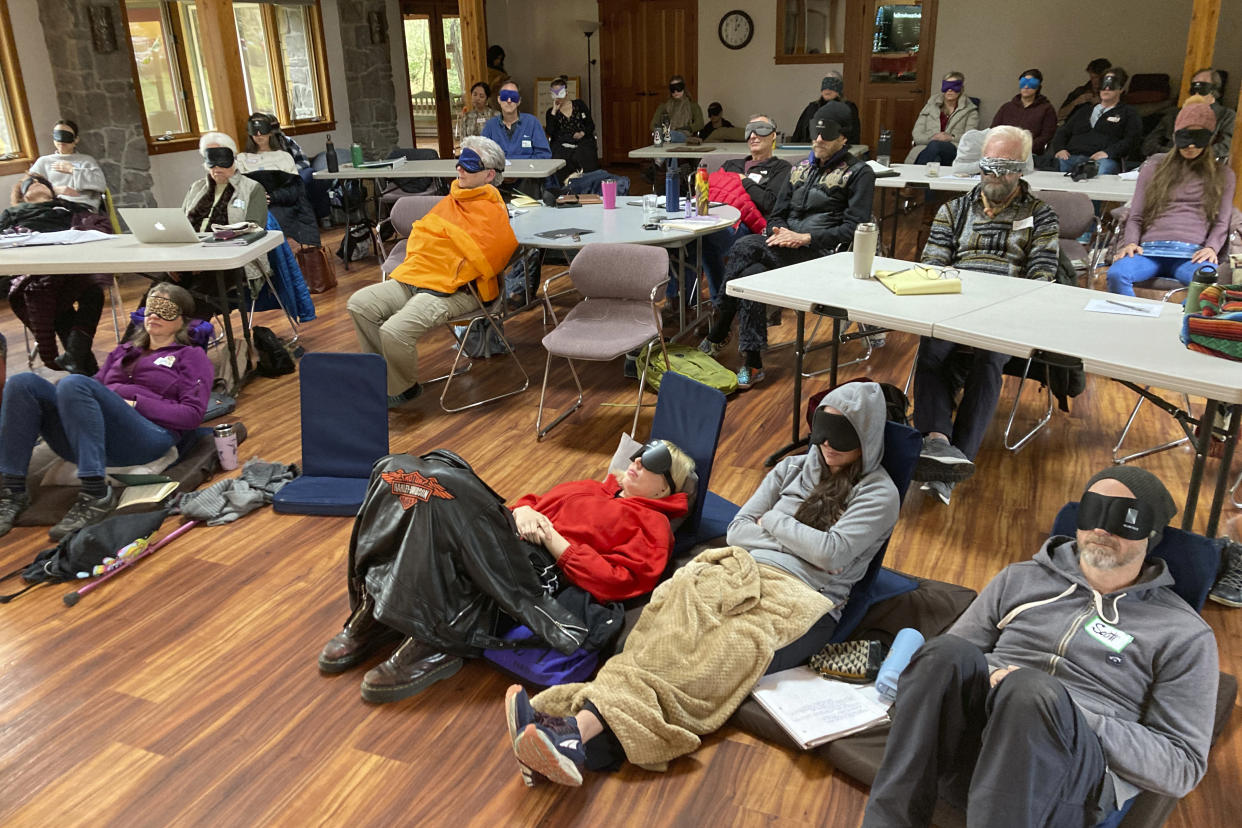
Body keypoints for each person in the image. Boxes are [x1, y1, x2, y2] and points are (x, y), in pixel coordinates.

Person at [500, 382, 901, 787]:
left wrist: (776, 523)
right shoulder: (791, 468)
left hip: (801, 597)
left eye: (843, 438)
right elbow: (739, 531)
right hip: (737, 565)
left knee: (717, 654)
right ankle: (575, 742)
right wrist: (802, 543)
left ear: (865, 438)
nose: (828, 446)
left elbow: (831, 554)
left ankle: (572, 728)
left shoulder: (879, 494)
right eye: (822, 433)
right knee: (662, 632)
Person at [861, 466, 1218, 828]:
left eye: (1124, 518)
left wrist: (1069, 712)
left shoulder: (1184, 635)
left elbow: (1181, 766)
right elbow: (957, 655)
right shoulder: (1019, 579)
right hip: (972, 746)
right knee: (942, 654)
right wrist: (998, 677)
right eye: (1095, 511)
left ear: (1151, 533)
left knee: (1030, 692)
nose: (1101, 529)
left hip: (1067, 783)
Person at [317, 438, 695, 704]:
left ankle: (435, 641)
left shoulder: (653, 526)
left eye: (654, 464)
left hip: (536, 567)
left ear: (666, 489)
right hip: (509, 533)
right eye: (641, 453)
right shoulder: (592, 488)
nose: (638, 462)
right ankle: (378, 603)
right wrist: (526, 510)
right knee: (398, 470)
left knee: (441, 493)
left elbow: (617, 581)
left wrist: (553, 539)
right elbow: (530, 501)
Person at [910, 126, 1059, 505]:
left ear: (1022, 168)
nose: (993, 176)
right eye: (987, 166)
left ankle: (955, 460)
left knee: (989, 359)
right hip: (954, 303)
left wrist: (1004, 303)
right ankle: (937, 441)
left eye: (1004, 167)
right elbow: (932, 265)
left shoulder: (1041, 216)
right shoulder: (954, 209)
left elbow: (1042, 274)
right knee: (929, 353)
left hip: (1006, 311)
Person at [0, 283, 212, 540]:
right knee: (22, 383)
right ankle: (12, 490)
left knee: (74, 382)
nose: (154, 315)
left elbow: (191, 416)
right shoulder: (123, 352)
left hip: (148, 437)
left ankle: (95, 492)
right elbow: (90, 392)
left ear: (183, 321)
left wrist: (133, 403)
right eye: (151, 308)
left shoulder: (190, 357)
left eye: (165, 310)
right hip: (95, 435)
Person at [698, 110, 874, 389]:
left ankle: (720, 328)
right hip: (784, 247)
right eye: (815, 132)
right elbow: (776, 214)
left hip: (824, 255)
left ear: (843, 138)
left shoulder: (859, 173)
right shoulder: (800, 168)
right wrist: (777, 231)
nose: (818, 139)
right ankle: (753, 363)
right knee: (751, 273)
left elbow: (855, 228)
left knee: (744, 245)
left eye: (826, 134)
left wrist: (805, 237)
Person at [346, 136, 516, 408]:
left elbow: (492, 257)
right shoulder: (451, 200)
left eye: (470, 165)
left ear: (489, 174)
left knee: (394, 331)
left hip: (459, 290)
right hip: (419, 277)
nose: (460, 169)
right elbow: (422, 239)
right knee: (359, 304)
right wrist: (437, 259)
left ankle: (402, 388)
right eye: (459, 163)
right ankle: (387, 379)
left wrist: (447, 260)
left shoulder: (492, 210)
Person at [1106, 101, 1235, 297]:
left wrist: (1211, 248)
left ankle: (1182, 324)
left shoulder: (1223, 175)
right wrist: (1131, 242)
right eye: (1185, 136)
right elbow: (1136, 215)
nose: (1191, 145)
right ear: (1175, 136)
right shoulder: (1153, 168)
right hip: (1148, 251)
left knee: (1207, 282)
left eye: (1198, 137)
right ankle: (1131, 321)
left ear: (1209, 138)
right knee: (1117, 273)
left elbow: (1222, 221)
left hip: (1193, 255)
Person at [2, 173, 106, 376]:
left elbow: (96, 224)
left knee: (93, 291)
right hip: (36, 271)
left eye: (42, 182)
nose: (37, 183)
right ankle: (85, 368)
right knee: (57, 303)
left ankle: (81, 367)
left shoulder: (69, 208)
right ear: (22, 197)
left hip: (72, 267)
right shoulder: (12, 214)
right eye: (30, 184)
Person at [173, 132, 270, 319]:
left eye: (222, 160)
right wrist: (175, 259)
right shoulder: (196, 188)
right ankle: (135, 345)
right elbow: (179, 225)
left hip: (230, 262)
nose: (217, 167)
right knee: (157, 294)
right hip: (188, 258)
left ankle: (186, 344)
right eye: (211, 160)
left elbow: (253, 230)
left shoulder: (252, 189)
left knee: (198, 296)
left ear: (233, 159)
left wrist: (206, 260)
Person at [696, 115, 792, 304]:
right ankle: (680, 304)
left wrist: (744, 181)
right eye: (750, 131)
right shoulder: (731, 164)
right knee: (681, 243)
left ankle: (720, 303)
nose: (754, 135)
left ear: (773, 135)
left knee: (705, 239)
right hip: (713, 216)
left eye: (761, 129)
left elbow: (770, 202)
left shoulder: (780, 168)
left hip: (746, 226)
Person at [236, 112, 320, 247]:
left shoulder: (284, 158)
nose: (258, 134)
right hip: (252, 208)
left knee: (275, 220)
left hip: (283, 206)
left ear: (270, 132)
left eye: (262, 130)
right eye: (254, 130)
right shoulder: (241, 159)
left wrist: (272, 197)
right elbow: (238, 189)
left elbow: (296, 191)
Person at [1048, 67, 1140, 176]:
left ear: (1120, 89)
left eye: (1111, 85)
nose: (1106, 88)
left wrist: (1108, 153)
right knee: (1046, 167)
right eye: (1103, 84)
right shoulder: (1084, 110)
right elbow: (1063, 132)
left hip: (1102, 160)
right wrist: (1060, 149)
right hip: (1070, 157)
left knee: (1104, 169)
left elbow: (1132, 140)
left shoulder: (1128, 113)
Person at [1142, 68, 1235, 161]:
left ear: (1214, 89)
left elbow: (1226, 146)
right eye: (1194, 84)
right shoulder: (1174, 114)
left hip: (1203, 166)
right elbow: (1149, 144)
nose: (1197, 89)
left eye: (1203, 84)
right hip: (1167, 163)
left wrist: (1193, 154)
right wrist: (1173, 154)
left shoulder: (1226, 116)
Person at [482, 81, 552, 197]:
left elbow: (544, 155)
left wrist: (520, 171)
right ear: (499, 99)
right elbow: (483, 155)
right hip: (497, 183)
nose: (509, 100)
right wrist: (501, 174)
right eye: (505, 96)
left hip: (528, 182)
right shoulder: (490, 126)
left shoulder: (532, 122)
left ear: (519, 101)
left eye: (513, 97)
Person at [27, 119, 107, 212]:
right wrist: (55, 190)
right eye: (58, 135)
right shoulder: (43, 162)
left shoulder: (87, 161)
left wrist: (73, 170)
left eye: (66, 136)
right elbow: (27, 187)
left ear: (76, 139)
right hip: (50, 207)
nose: (61, 140)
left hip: (81, 208)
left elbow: (101, 184)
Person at [907, 72, 979, 165]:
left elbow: (970, 138)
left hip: (953, 149)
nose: (950, 90)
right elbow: (917, 136)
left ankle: (915, 176)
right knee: (935, 156)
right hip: (925, 147)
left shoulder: (970, 111)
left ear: (961, 88)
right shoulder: (930, 107)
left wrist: (950, 137)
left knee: (936, 146)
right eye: (947, 86)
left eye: (954, 86)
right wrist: (933, 138)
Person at [990, 69, 1057, 155]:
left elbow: (1047, 136)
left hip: (1030, 153)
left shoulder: (1047, 109)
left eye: (1031, 83)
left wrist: (1025, 147)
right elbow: (994, 130)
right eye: (1023, 83)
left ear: (1038, 87)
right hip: (1002, 151)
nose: (1026, 87)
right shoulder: (1007, 107)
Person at [544, 75, 598, 180]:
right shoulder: (550, 113)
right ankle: (564, 186)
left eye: (560, 93)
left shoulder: (579, 105)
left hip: (582, 140)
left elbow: (590, 125)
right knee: (562, 158)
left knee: (584, 155)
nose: (558, 96)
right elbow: (550, 131)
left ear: (566, 92)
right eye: (555, 93)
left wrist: (582, 133)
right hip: (562, 144)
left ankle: (588, 183)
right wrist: (554, 111)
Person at [792, 72, 860, 145]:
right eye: (825, 85)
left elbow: (854, 136)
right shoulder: (812, 108)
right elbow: (798, 133)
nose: (827, 90)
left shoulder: (848, 108)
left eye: (832, 86)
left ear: (840, 89)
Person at [649, 75, 704, 142]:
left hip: (684, 135)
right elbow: (653, 124)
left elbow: (700, 123)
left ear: (683, 88)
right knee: (667, 136)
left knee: (671, 135)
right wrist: (661, 130)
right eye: (673, 89)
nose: (675, 91)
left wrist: (689, 128)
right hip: (666, 134)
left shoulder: (693, 106)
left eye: (678, 88)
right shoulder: (664, 106)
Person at [1057, 57, 1112, 122]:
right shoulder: (1081, 91)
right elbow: (1059, 116)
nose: (1094, 81)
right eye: (1092, 77)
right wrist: (1075, 102)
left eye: (1097, 77)